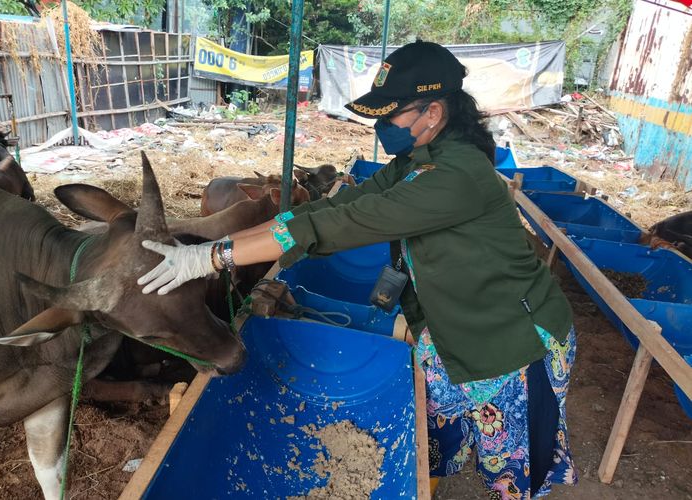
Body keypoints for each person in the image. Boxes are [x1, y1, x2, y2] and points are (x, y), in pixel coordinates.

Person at [137, 40, 577, 499]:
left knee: (511, 475)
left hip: (512, 344)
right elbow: (340, 204)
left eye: (392, 115)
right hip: (449, 333)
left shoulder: (456, 177)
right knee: (435, 441)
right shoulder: (417, 161)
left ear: (433, 112)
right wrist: (214, 247)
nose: (383, 126)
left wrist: (211, 260)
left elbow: (343, 223)